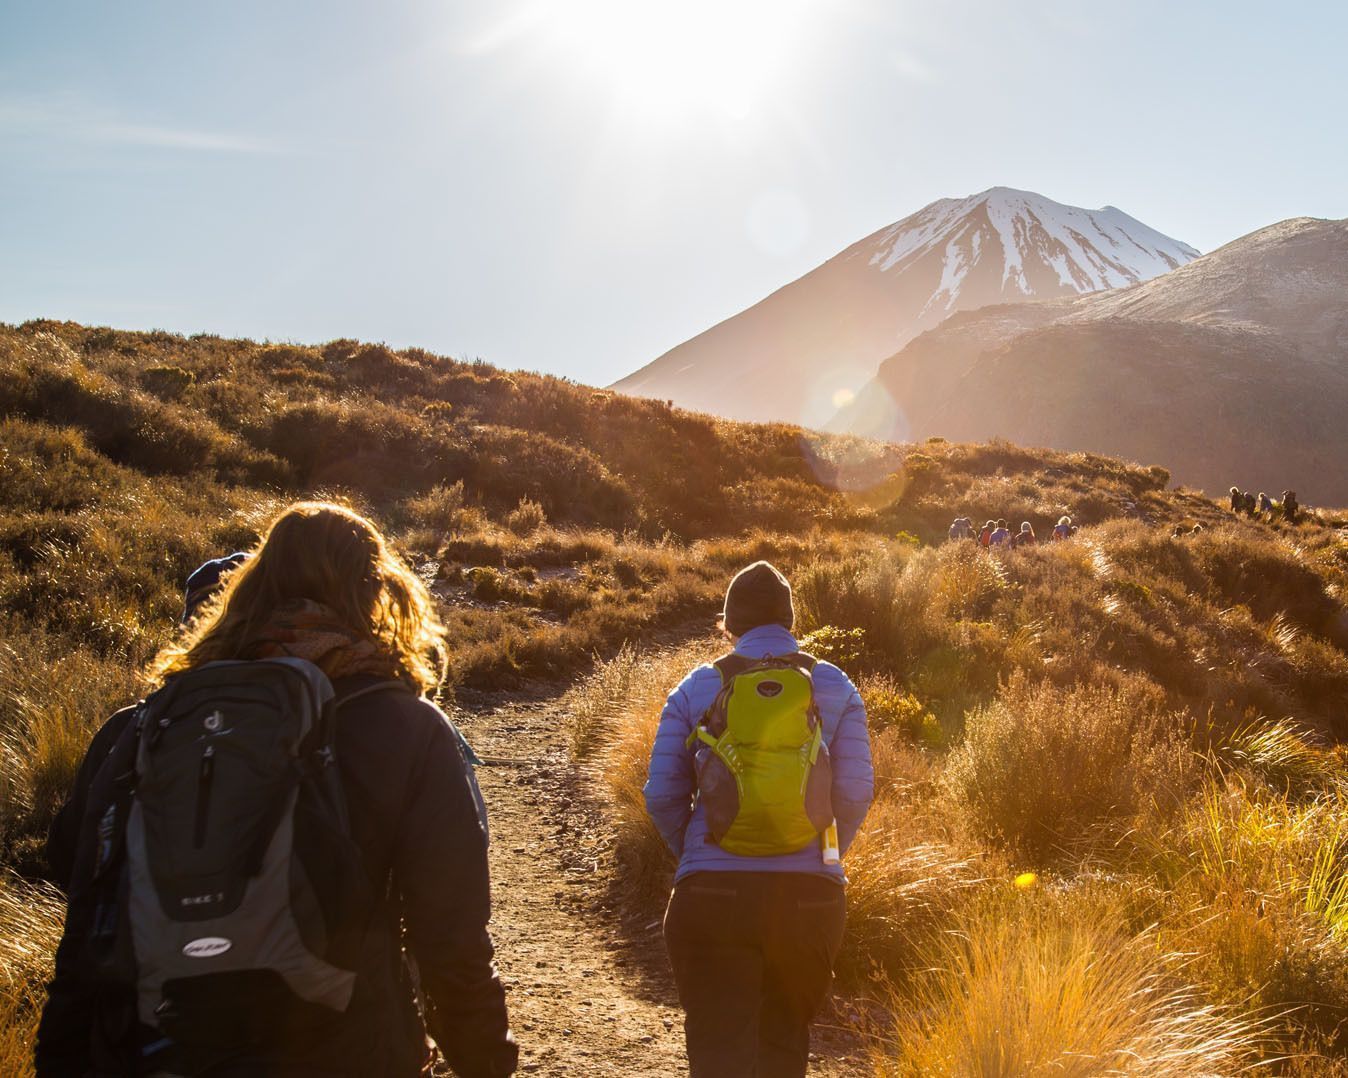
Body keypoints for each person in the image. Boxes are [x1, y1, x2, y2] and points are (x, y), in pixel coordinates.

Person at [37, 501, 518, 1078]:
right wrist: (486, 1062)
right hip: (341, 1052)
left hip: (148, 1049)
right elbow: (453, 942)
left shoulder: (140, 727)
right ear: (379, 591)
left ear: (248, 590)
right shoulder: (408, 729)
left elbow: (82, 917)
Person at [644, 561, 874, 1078]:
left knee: (717, 1054)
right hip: (809, 900)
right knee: (784, 1047)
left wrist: (697, 855)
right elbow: (856, 792)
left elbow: (661, 795)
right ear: (789, 618)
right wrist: (825, 855)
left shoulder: (696, 687)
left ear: (729, 622)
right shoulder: (834, 685)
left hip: (710, 897)